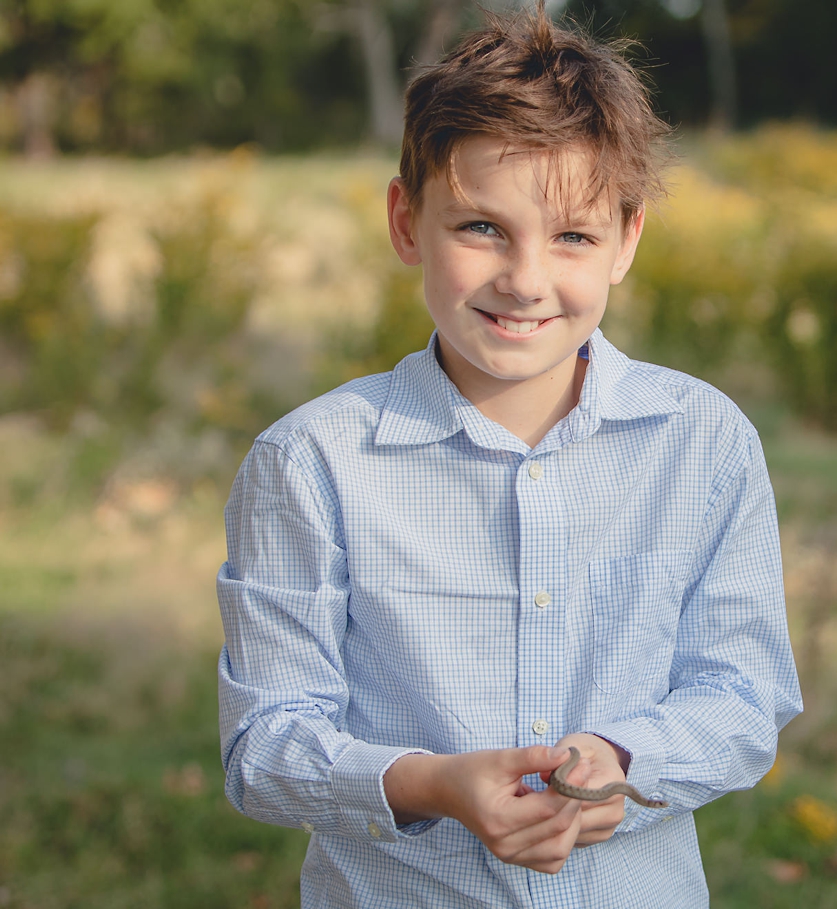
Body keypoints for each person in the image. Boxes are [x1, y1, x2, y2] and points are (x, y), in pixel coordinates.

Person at [214, 7, 802, 905]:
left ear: (627, 241)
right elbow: (266, 744)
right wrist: (432, 783)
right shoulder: (311, 462)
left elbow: (743, 694)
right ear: (407, 222)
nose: (526, 278)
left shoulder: (704, 441)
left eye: (572, 236)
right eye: (482, 228)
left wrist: (625, 759)